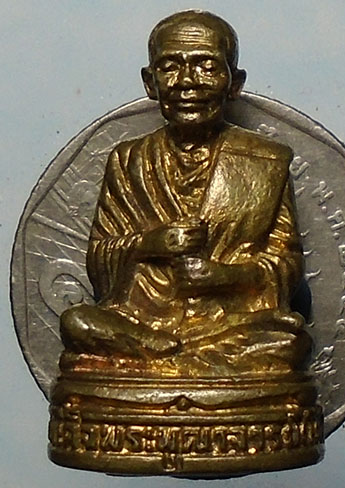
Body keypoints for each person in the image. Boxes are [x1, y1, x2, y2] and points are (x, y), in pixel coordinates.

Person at [60, 10, 312, 376]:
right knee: (77, 323)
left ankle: (169, 359)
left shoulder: (266, 161)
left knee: (290, 342)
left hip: (227, 321)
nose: (187, 82)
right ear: (150, 82)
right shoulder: (129, 160)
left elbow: (286, 265)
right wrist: (149, 244)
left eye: (207, 67)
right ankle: (166, 353)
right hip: (144, 321)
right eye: (170, 67)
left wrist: (223, 277)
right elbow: (100, 256)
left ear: (235, 83)